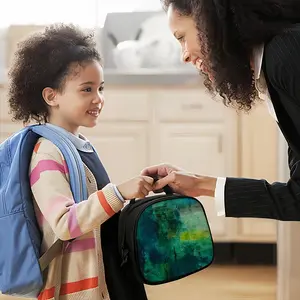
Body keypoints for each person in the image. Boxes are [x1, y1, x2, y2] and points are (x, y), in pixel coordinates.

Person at [8, 24, 153, 300]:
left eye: (100, 88)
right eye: (86, 89)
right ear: (52, 96)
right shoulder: (47, 154)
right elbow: (64, 223)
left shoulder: (79, 145)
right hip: (78, 286)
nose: (98, 99)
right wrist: (120, 192)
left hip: (106, 273)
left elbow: (97, 209)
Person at [142, 0, 300, 221]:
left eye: (182, 37)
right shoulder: (275, 60)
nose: (184, 56)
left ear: (212, 22)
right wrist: (199, 184)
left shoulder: (287, 55)